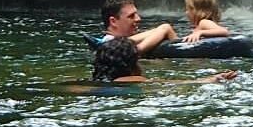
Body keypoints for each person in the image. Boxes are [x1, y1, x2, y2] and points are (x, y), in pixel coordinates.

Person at [92, 38, 238, 83]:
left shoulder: (97, 82)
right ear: (131, 64)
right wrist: (211, 79)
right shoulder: (132, 80)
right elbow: (167, 84)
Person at [100, 0, 178, 54]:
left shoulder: (115, 45)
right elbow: (165, 28)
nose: (138, 19)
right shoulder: (109, 44)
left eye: (136, 14)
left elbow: (164, 29)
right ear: (113, 21)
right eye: (131, 16)